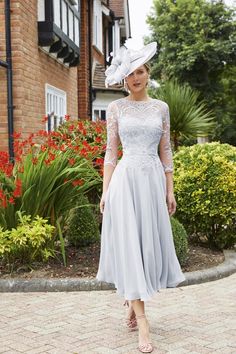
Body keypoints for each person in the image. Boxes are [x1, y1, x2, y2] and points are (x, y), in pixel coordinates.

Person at [96, 42, 185, 353]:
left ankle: (132, 304)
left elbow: (166, 152)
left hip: (151, 182)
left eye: (141, 71)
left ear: (148, 74)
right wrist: (105, 191)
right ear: (125, 78)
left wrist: (169, 189)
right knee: (130, 247)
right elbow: (110, 154)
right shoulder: (115, 108)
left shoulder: (161, 108)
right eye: (131, 72)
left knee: (145, 247)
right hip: (125, 181)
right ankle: (143, 322)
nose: (136, 77)